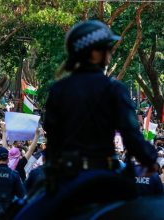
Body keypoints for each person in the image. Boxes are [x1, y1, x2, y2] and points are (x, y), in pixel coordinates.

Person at [16, 20, 158, 219]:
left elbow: (53, 137)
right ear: (93, 53)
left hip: (65, 178)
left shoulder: (58, 90)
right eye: (107, 48)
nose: (110, 52)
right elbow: (132, 136)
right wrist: (150, 159)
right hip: (105, 176)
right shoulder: (114, 89)